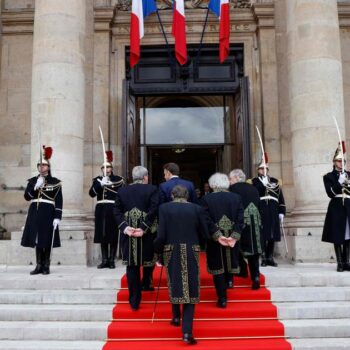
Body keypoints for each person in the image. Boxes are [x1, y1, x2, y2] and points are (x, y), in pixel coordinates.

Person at [154, 185, 211, 345]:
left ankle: (175, 317)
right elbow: (205, 233)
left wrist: (157, 251)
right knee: (191, 290)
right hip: (191, 250)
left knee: (175, 283)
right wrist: (202, 245)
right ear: (187, 196)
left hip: (170, 250)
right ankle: (187, 333)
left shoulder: (164, 208)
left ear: (172, 195)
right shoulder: (196, 209)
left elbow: (161, 234)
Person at [113, 166, 159, 310]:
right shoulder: (152, 189)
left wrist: (125, 227)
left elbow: (116, 210)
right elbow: (154, 209)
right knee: (148, 261)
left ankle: (134, 300)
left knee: (132, 266)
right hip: (146, 233)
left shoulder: (122, 190)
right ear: (145, 177)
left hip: (129, 234)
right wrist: (144, 227)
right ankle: (146, 283)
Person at [201, 173, 244, 307]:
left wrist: (217, 235)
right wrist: (234, 236)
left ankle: (222, 298)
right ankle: (229, 282)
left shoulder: (206, 199)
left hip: (215, 240)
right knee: (229, 263)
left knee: (218, 268)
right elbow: (241, 218)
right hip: (232, 238)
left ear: (213, 184)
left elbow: (205, 220)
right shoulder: (236, 198)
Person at [21, 146, 63, 275]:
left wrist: (57, 217)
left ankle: (46, 265)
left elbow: (59, 201)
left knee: (47, 238)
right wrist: (35, 186)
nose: (41, 167)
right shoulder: (33, 181)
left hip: (48, 213)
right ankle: (38, 265)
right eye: (39, 165)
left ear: (48, 167)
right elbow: (27, 196)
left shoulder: (55, 182)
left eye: (44, 165)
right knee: (37, 239)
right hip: (35, 212)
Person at [89, 151, 124, 269]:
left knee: (113, 234)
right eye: (104, 167)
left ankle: (111, 260)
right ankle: (104, 260)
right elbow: (91, 194)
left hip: (112, 209)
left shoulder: (119, 180)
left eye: (108, 167)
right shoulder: (98, 180)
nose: (106, 169)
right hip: (100, 209)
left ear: (112, 168)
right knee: (102, 233)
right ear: (101, 169)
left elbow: (122, 196)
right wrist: (100, 185)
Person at [229, 169, 262, 289]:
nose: (229, 181)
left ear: (237, 178)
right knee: (253, 251)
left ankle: (239, 272)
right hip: (254, 224)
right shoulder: (253, 188)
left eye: (231, 178)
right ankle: (256, 277)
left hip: (239, 223)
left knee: (234, 248)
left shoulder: (232, 189)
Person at [251, 154, 286, 267]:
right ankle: (264, 257)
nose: (263, 170)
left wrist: (281, 211)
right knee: (264, 234)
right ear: (258, 170)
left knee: (272, 234)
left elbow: (280, 197)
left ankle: (270, 256)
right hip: (262, 209)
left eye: (265, 168)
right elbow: (257, 192)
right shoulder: (254, 181)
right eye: (261, 169)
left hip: (273, 209)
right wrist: (264, 184)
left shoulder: (275, 181)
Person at [322, 142, 350, 272]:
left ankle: (346, 262)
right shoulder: (329, 176)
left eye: (342, 161)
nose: (340, 163)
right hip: (337, 207)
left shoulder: (349, 174)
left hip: (348, 207)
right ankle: (339, 262)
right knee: (337, 235)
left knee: (348, 235)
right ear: (334, 162)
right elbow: (330, 193)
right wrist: (339, 182)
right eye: (338, 161)